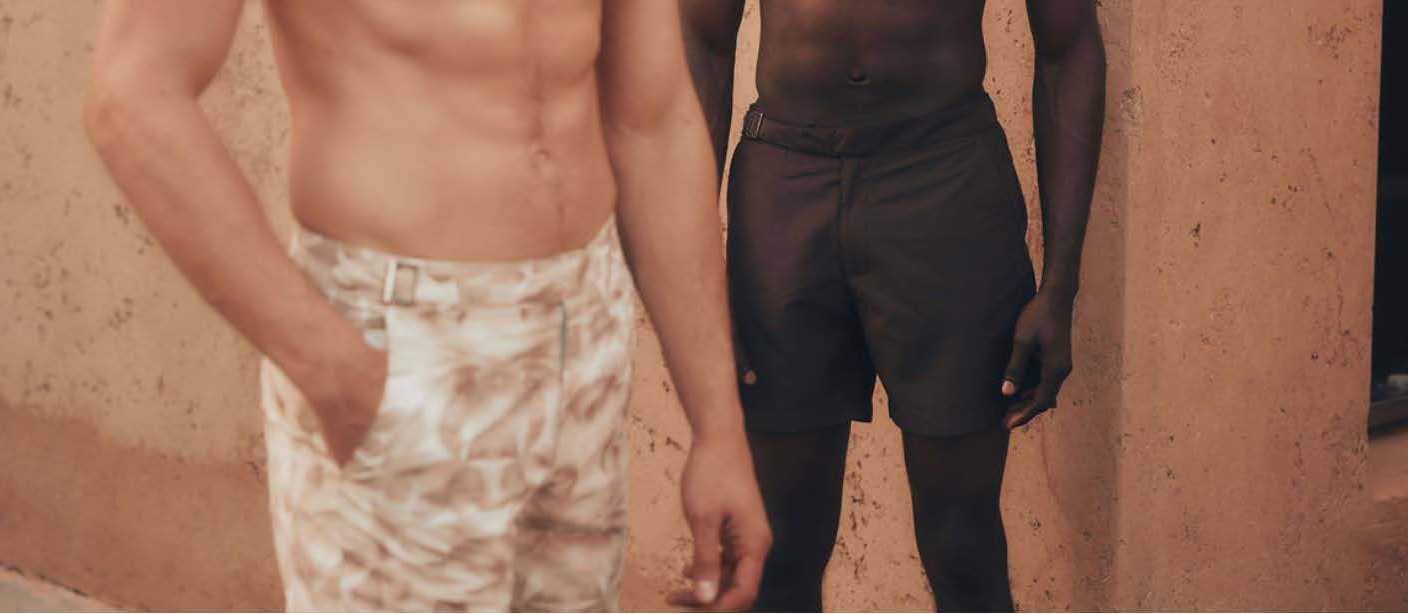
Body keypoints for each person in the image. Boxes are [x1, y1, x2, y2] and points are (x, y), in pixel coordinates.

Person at [84, 1, 771, 611]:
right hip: (401, 346)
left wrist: (717, 429)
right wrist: (342, 377)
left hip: (582, 336)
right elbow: (133, 95)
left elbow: (651, 123)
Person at [680, 0, 1104, 611]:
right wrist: (696, 282)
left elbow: (1070, 48)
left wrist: (1062, 285)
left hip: (946, 185)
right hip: (784, 187)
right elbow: (702, 41)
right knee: (775, 549)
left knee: (964, 550)